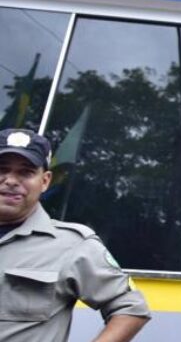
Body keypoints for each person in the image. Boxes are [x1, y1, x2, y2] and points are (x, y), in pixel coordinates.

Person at [0, 128, 151, 342]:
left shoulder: (72, 245)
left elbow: (131, 309)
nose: (11, 181)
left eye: (25, 172)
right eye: (2, 170)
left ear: (45, 181)